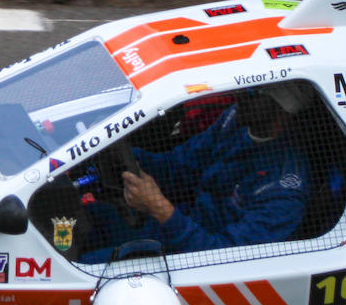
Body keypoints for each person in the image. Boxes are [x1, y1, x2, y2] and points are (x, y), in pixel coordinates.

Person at [79, 82, 313, 263]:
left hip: (188, 260)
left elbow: (219, 259)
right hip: (176, 228)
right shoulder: (234, 120)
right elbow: (178, 166)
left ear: (282, 109)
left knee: (82, 266)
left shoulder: (283, 192)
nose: (240, 95)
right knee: (77, 220)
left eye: (253, 93)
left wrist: (160, 208)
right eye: (245, 88)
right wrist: (121, 151)